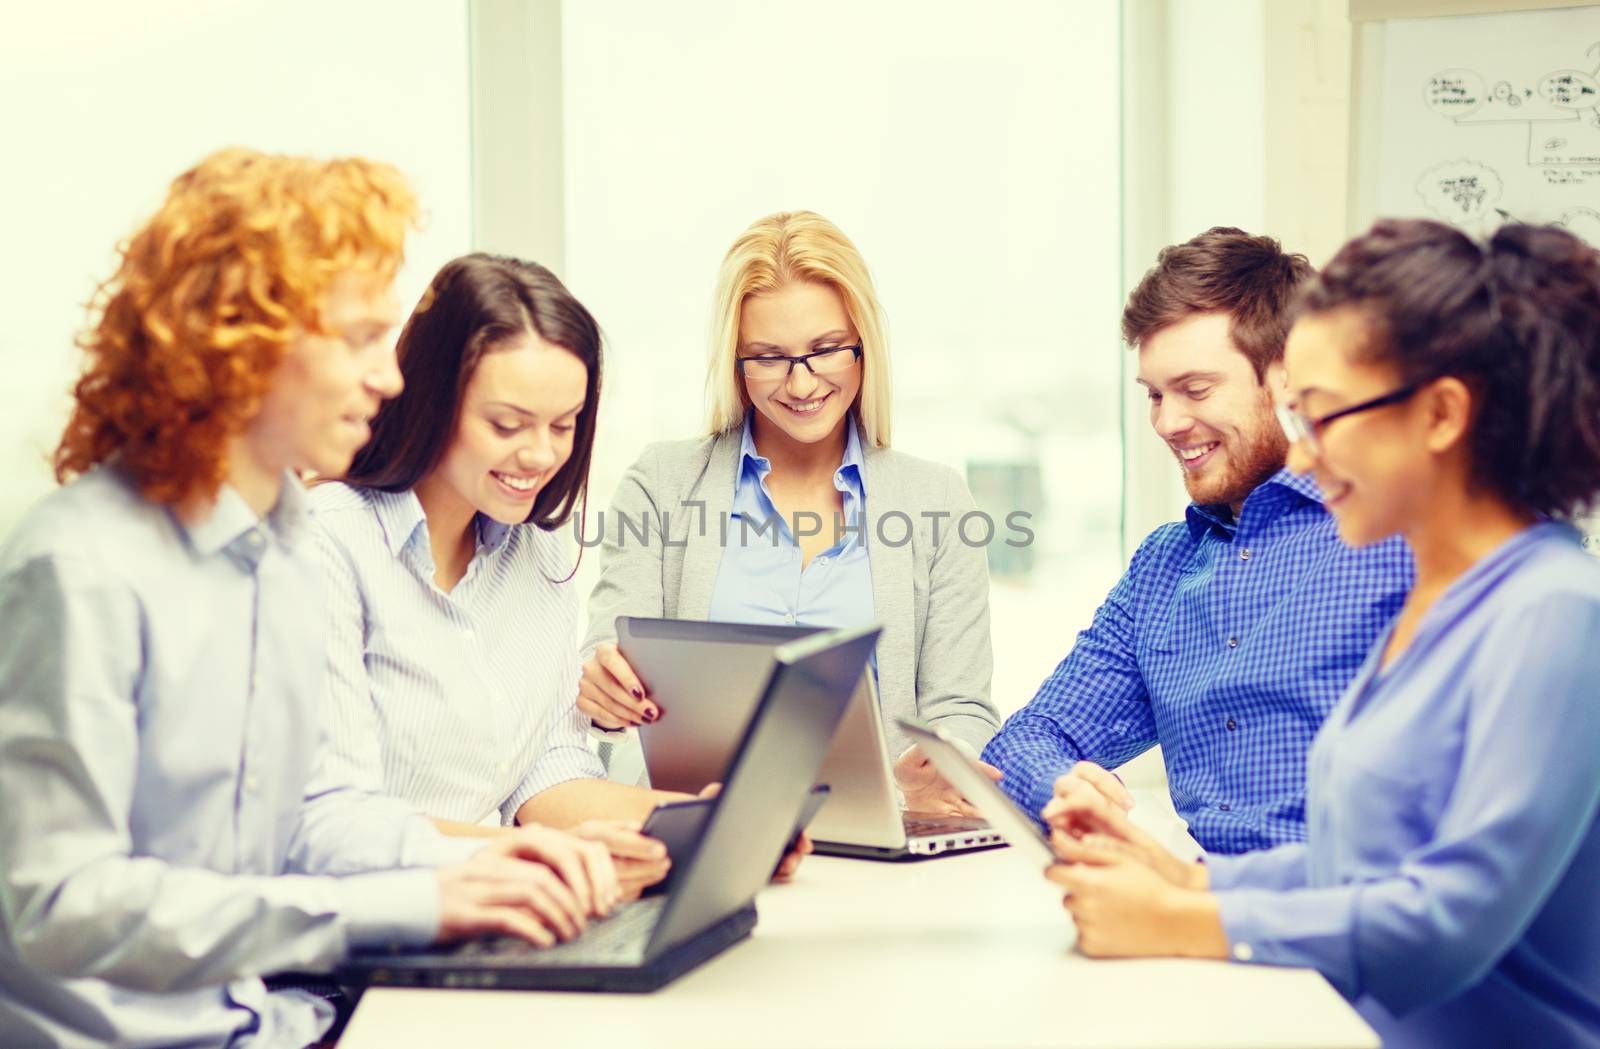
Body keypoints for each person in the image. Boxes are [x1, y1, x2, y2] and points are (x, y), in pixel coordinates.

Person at [0, 150, 618, 1049]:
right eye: (360, 338)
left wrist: (484, 860)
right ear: (240, 344)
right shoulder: (81, 565)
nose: (393, 377)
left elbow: (315, 810)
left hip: (269, 1020)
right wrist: (409, 899)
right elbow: (59, 902)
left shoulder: (281, 539)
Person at [1045, 219, 1600, 1049]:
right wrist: (1187, 878)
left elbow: (1445, 923)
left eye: (1324, 417)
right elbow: (1362, 860)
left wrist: (1184, 920)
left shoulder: (1556, 613)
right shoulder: (1446, 599)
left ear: (1442, 415)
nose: (1300, 462)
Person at [908, 227, 1415, 847]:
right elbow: (1029, 739)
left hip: (1338, 922)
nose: (1168, 423)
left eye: (1196, 389)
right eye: (1154, 394)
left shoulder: (1399, 543)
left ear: (1289, 378)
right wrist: (1064, 789)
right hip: (1190, 917)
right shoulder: (1164, 568)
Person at [575, 210, 1001, 800]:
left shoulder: (938, 502)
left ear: (862, 347)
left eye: (825, 350)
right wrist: (603, 693)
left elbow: (961, 707)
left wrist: (936, 768)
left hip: (880, 837)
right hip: (691, 827)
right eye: (770, 357)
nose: (801, 386)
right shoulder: (661, 484)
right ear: (736, 362)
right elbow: (608, 659)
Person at [310, 253, 688, 896]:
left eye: (563, 426)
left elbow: (544, 771)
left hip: (494, 913)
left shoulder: (541, 557)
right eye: (506, 424)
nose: (540, 455)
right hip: (359, 946)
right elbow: (332, 827)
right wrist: (540, 855)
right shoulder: (326, 545)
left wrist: (688, 827)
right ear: (431, 402)